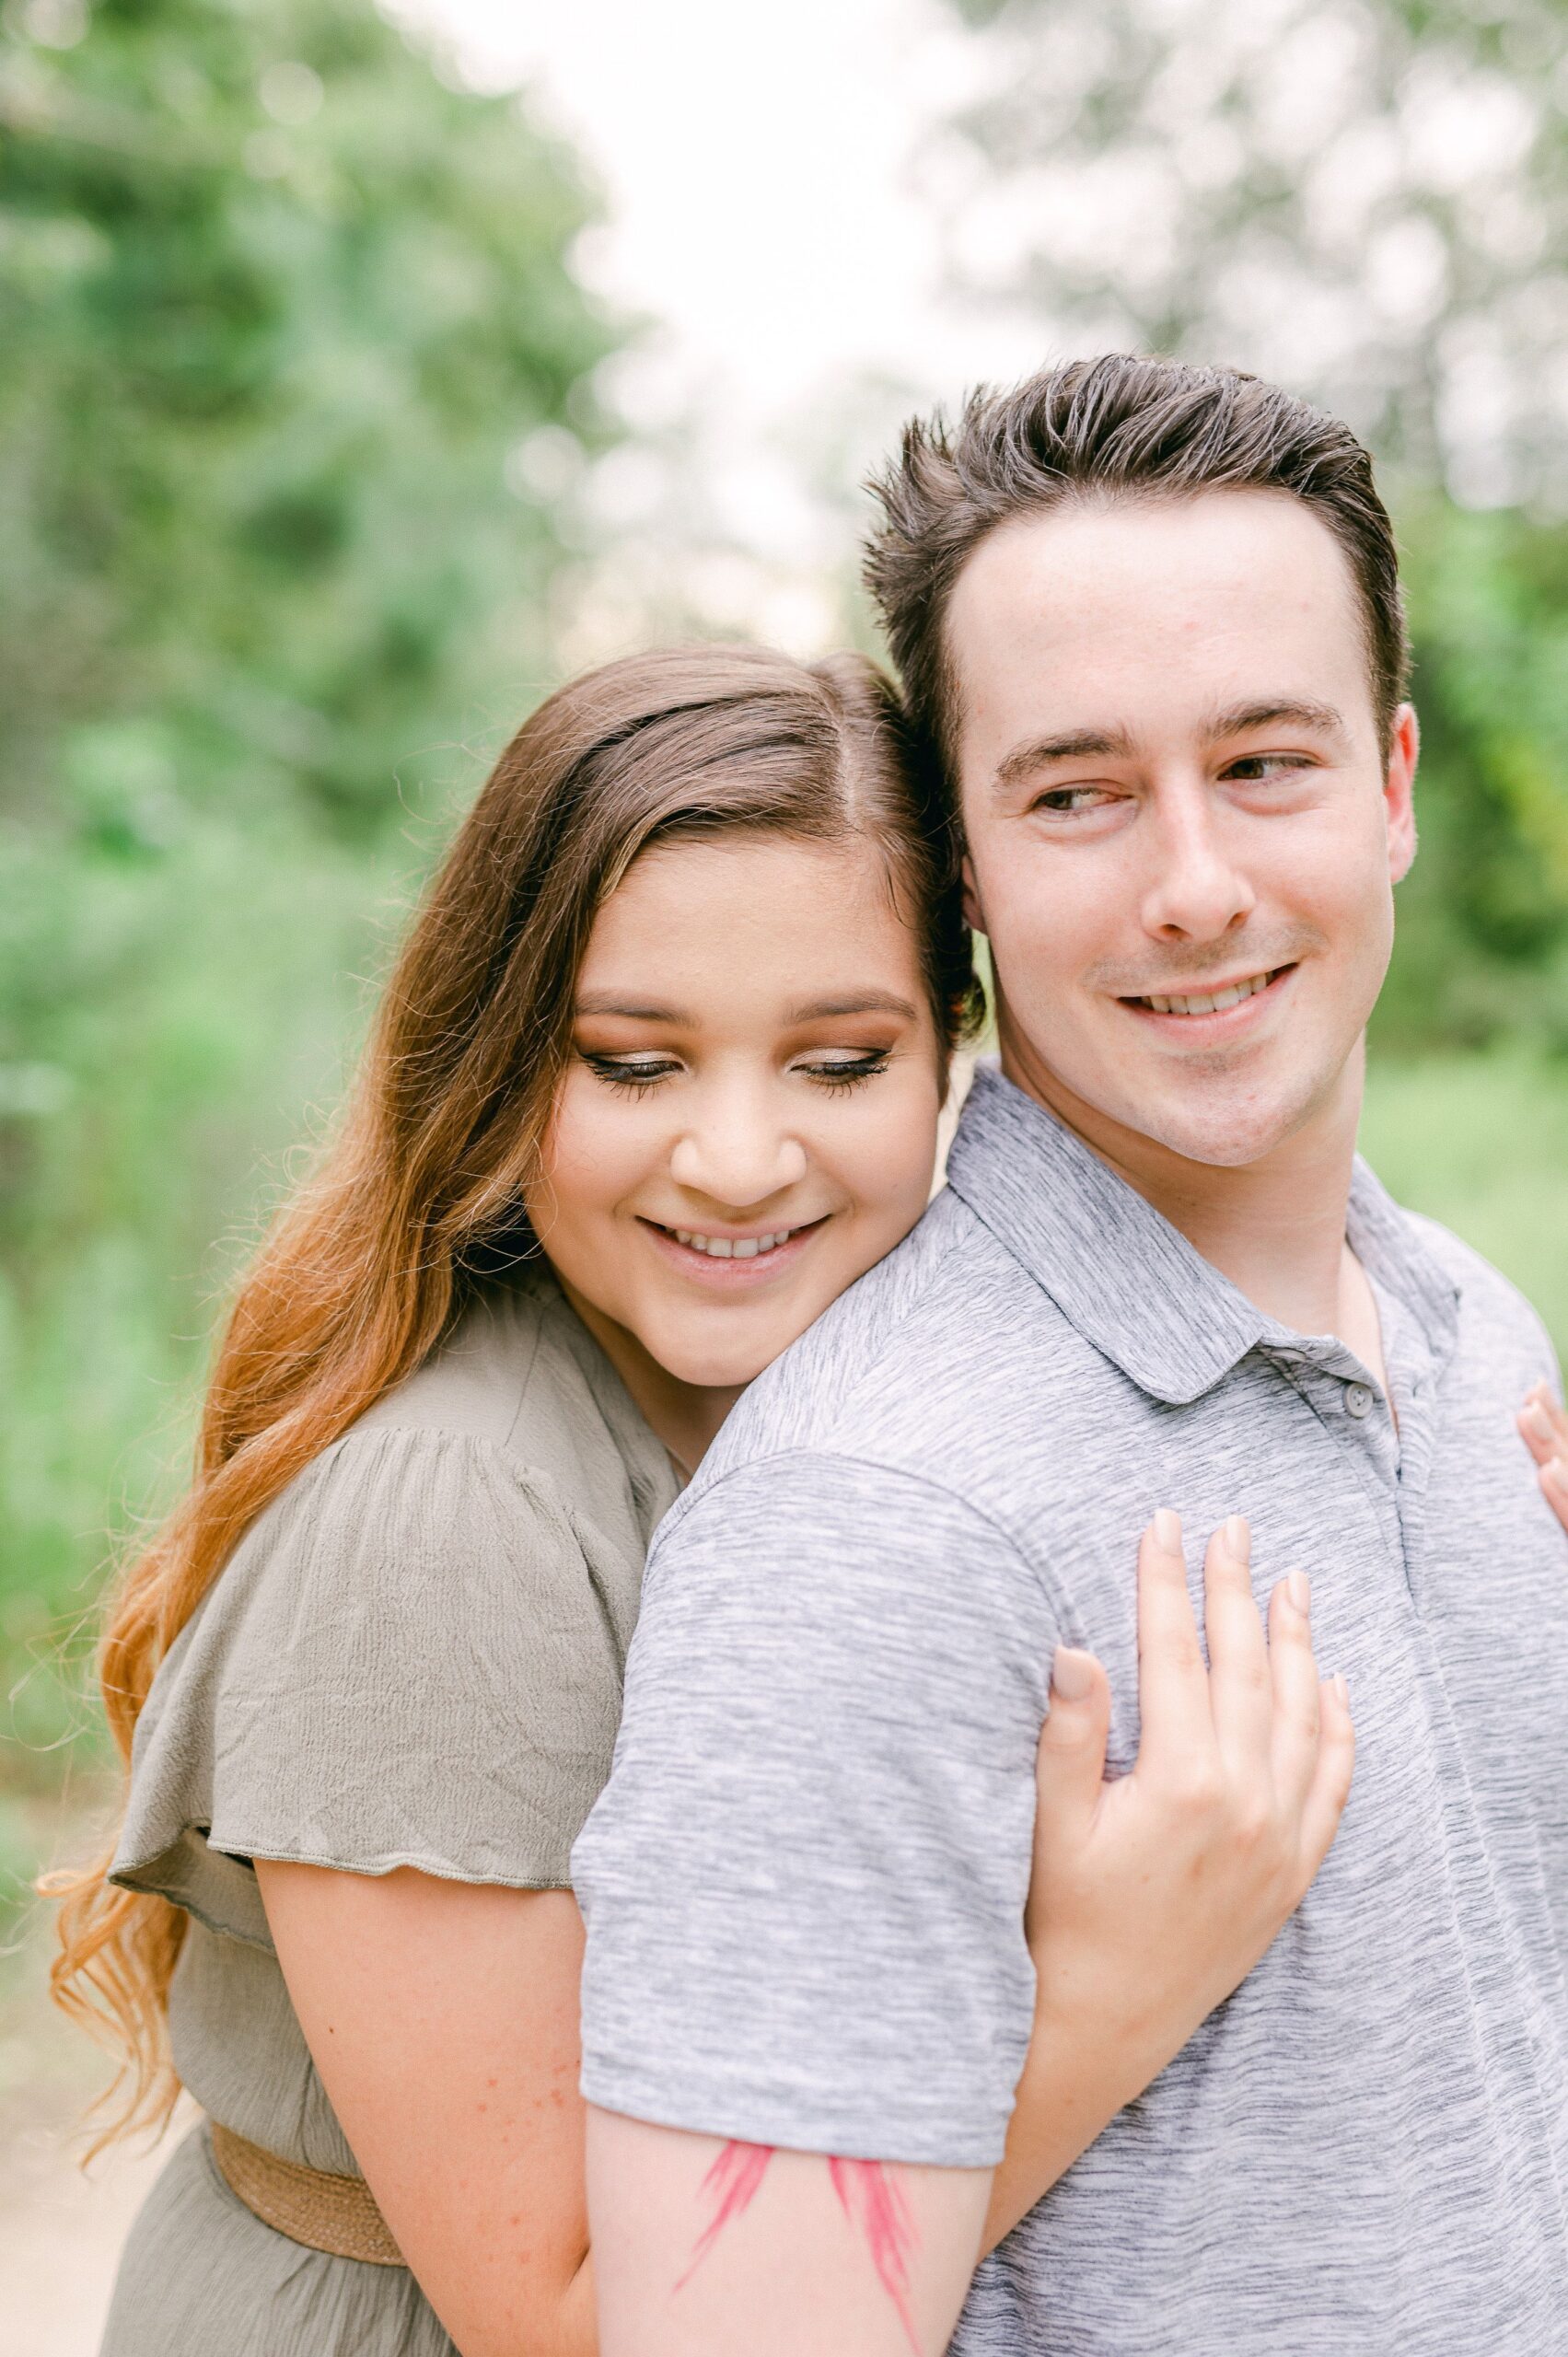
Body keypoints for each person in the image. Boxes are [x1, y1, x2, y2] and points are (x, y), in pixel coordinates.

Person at [50, 644, 1356, 2357]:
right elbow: (578, 2319)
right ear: (503, 1063)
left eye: (836, 1064)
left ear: (954, 1054)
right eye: (635, 1063)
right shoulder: (447, 1526)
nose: (738, 1159)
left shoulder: (853, 1424)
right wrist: (1109, 1987)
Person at [574, 358, 1568, 2357]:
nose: (1193, 883)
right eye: (1078, 790)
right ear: (963, 869)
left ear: (1391, 787)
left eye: (1265, 764)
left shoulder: (1474, 1333)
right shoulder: (872, 1518)